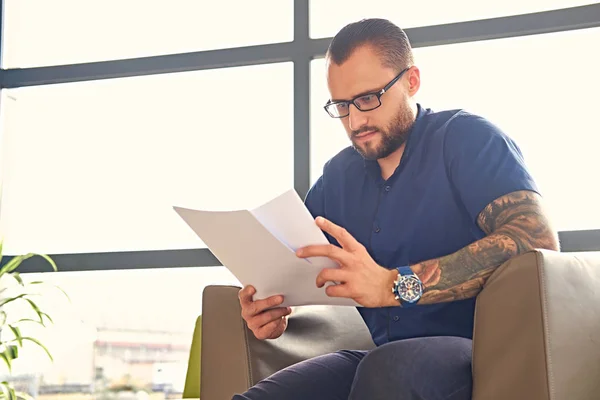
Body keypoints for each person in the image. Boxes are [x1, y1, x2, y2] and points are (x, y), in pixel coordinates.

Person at [233, 18, 559, 400]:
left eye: (368, 98)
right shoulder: (337, 178)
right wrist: (272, 309)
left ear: (411, 81)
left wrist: (394, 285)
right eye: (341, 105)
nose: (355, 121)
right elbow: (307, 275)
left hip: (475, 353)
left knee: (386, 370)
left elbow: (535, 238)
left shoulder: (466, 139)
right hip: (379, 359)